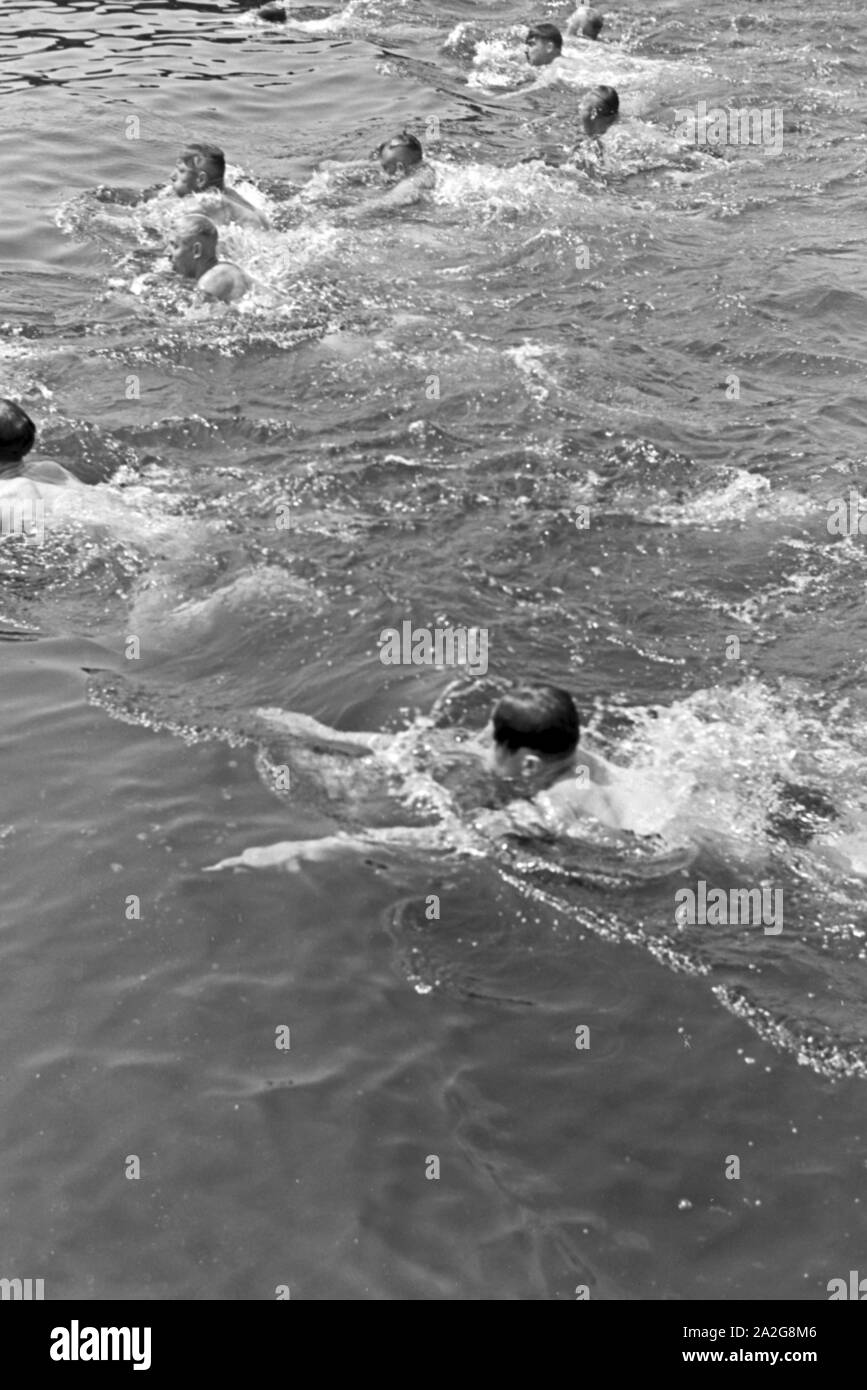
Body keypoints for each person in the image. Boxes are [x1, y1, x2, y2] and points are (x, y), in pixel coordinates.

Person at [206, 684, 674, 874]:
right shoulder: (574, 752)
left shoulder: (555, 808)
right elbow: (444, 748)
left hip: (640, 858)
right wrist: (325, 735)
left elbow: (446, 840)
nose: (477, 743)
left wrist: (307, 850)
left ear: (529, 764)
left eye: (490, 741)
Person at [170, 142, 270, 229]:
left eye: (181, 171)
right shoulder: (229, 194)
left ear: (201, 179)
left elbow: (166, 218)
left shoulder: (208, 202)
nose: (172, 176)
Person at [168, 214, 252, 304]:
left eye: (175, 246)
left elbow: (195, 316)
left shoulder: (212, 280)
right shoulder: (223, 269)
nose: (168, 253)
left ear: (196, 250)